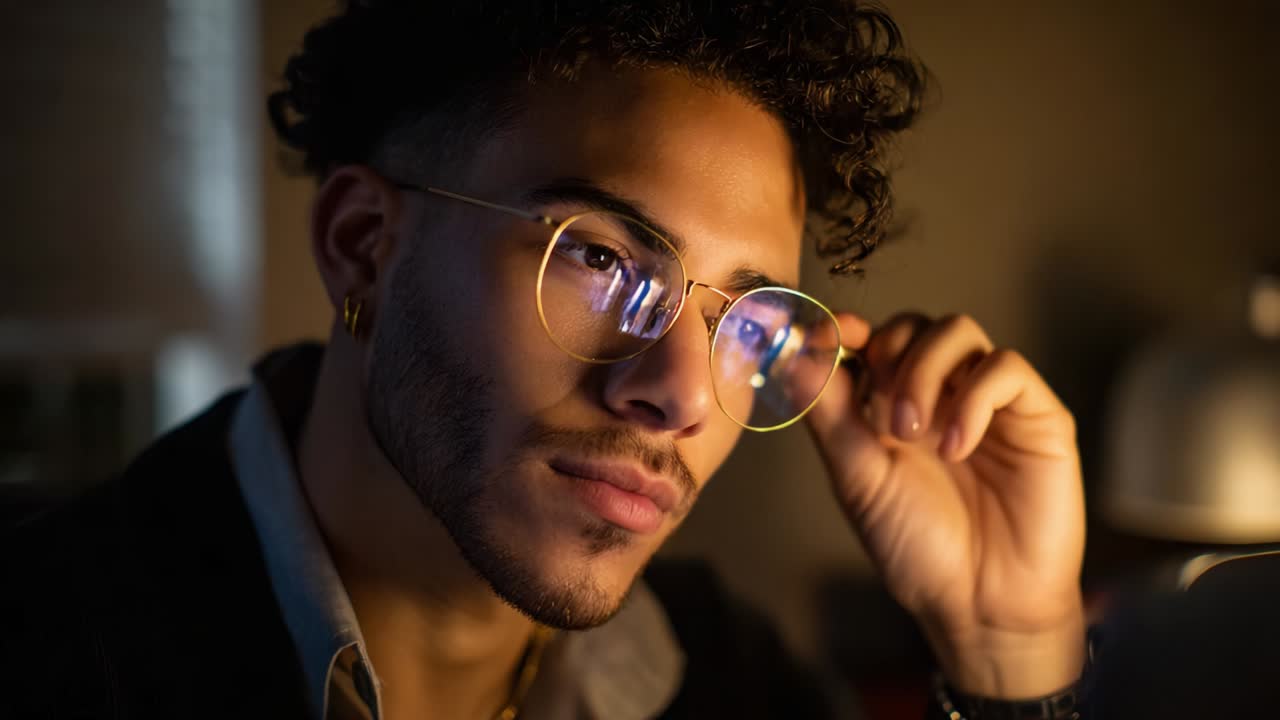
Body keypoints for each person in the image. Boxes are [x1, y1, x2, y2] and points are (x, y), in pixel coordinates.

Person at [1, 1, 1090, 718]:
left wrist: (1007, 653)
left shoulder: (730, 674)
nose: (678, 394)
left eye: (746, 324)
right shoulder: (49, 644)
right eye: (602, 260)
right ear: (362, 245)